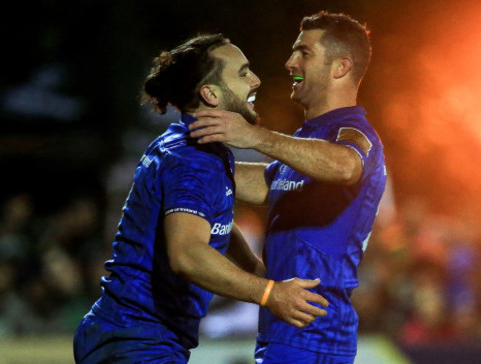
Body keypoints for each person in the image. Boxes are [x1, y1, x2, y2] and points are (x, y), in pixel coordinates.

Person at [73, 33, 329, 364]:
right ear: (210, 93)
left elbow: (209, 221)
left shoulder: (194, 144)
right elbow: (187, 254)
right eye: (242, 72)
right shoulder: (194, 160)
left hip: (132, 336)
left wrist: (255, 268)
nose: (255, 80)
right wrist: (270, 294)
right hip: (136, 340)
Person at [189, 11, 387, 363]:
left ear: (340, 67)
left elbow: (345, 165)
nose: (289, 61)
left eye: (304, 53)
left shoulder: (354, 134)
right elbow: (267, 181)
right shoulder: (307, 141)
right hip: (282, 332)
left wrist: (254, 135)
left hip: (315, 338)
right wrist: (184, 166)